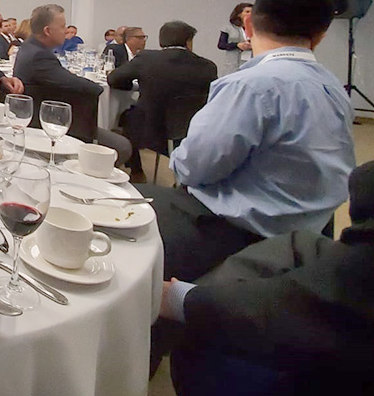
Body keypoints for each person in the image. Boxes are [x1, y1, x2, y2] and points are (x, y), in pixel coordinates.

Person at [137, 0, 354, 285]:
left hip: (240, 232)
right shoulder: (334, 88)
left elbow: (194, 167)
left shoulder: (250, 85)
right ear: (319, 36)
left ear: (248, 26)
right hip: (313, 230)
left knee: (123, 201)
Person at [152, 161, 374, 395]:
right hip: (312, 217)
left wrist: (180, 298)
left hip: (247, 219)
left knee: (195, 329)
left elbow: (197, 164)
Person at [12, 3, 131, 164]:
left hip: (45, 116)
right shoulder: (39, 55)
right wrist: (95, 86)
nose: (66, 31)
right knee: (122, 147)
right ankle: (88, 175)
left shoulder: (31, 47)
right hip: (50, 123)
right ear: (47, 31)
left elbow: (61, 78)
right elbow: (87, 88)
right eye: (63, 27)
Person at [108, 20, 217, 182]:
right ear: (188, 42)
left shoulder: (147, 58)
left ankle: (136, 171)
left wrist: (133, 86)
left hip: (150, 129)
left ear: (161, 41)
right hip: (190, 130)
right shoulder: (208, 66)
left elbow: (114, 79)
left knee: (128, 117)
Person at [217, 2, 254, 76]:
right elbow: (221, 45)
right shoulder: (229, 28)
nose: (250, 14)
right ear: (239, 14)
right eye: (247, 12)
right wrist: (237, 45)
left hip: (251, 63)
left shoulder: (257, 28)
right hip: (232, 65)